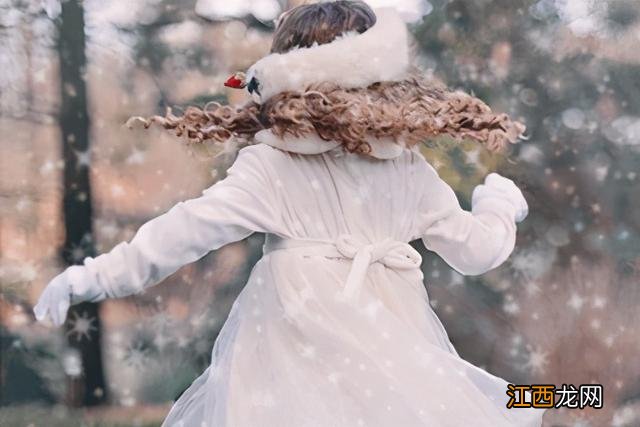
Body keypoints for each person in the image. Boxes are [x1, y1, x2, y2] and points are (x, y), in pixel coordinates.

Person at [34, 2, 544, 425]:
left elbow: (178, 235)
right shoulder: (406, 168)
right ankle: (577, 397)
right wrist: (498, 204)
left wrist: (89, 278)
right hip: (391, 355)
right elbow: (478, 252)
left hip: (287, 367)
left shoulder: (273, 165)